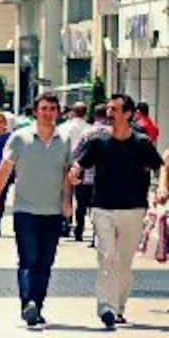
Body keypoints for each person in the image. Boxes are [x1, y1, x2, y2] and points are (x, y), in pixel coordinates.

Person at [71, 94, 164, 329]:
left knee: (123, 261)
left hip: (133, 209)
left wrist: (161, 188)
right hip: (102, 207)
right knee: (106, 256)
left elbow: (160, 166)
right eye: (108, 109)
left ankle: (119, 306)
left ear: (128, 114)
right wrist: (74, 172)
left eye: (114, 109)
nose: (109, 113)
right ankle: (106, 308)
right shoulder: (97, 141)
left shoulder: (141, 143)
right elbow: (80, 163)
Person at [0, 92, 72, 328]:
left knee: (45, 263)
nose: (48, 113)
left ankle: (37, 306)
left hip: (53, 211)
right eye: (44, 108)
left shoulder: (64, 140)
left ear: (58, 112)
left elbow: (66, 173)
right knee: (28, 259)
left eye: (52, 109)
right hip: (25, 210)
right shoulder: (20, 138)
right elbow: (5, 169)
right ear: (36, 112)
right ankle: (28, 303)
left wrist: (67, 202)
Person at [71, 104, 109, 243]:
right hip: (104, 177)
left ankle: (79, 231)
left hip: (85, 175)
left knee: (81, 205)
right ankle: (96, 235)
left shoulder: (87, 132)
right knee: (98, 208)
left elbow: (75, 152)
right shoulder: (112, 133)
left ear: (94, 115)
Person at [58, 102, 91, 237]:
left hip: (65, 164)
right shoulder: (89, 129)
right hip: (83, 165)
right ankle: (79, 227)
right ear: (85, 113)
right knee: (81, 198)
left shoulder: (63, 128)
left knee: (66, 195)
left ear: (72, 112)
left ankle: (65, 223)